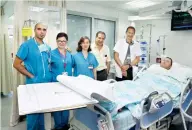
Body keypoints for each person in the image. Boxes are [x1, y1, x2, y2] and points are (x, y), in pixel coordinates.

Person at [13, 23, 52, 130]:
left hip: (45, 84)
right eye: (39, 29)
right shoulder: (26, 45)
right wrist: (31, 76)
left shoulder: (47, 47)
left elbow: (48, 64)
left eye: (44, 29)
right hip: (33, 83)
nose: (42, 31)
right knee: (33, 113)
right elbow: (16, 64)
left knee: (41, 111)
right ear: (34, 30)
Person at [50, 32, 73, 130]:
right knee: (57, 105)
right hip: (56, 82)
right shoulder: (51, 53)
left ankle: (65, 124)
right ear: (56, 41)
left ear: (66, 42)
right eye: (59, 41)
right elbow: (47, 67)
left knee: (66, 104)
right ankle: (58, 126)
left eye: (64, 41)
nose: (62, 43)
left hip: (67, 83)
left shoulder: (69, 54)